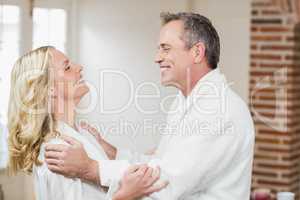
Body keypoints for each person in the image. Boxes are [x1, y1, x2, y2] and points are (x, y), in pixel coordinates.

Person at [45, 12, 255, 200]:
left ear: (197, 52)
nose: (157, 58)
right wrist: (112, 152)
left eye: (166, 48)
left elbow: (163, 183)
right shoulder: (183, 102)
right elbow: (159, 162)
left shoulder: (218, 110)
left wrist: (91, 168)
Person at [7, 46, 163, 200]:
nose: (79, 67)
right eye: (67, 67)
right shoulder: (59, 150)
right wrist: (125, 196)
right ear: (50, 90)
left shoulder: (83, 135)